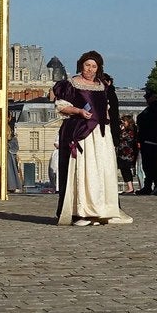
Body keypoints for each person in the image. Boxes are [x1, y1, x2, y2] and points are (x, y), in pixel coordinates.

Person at [49, 51, 133, 226]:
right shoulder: (71, 84)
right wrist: (79, 111)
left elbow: (107, 109)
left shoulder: (102, 86)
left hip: (101, 134)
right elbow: (62, 106)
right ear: (81, 65)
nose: (90, 69)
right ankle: (82, 211)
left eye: (94, 66)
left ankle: (102, 210)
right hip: (82, 132)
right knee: (85, 170)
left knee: (102, 170)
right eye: (88, 65)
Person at [135, 86, 157, 194]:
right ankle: (152, 184)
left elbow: (143, 120)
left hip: (150, 140)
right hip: (148, 140)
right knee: (149, 165)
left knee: (150, 164)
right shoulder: (153, 108)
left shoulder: (154, 109)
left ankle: (153, 184)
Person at [116, 115, 138, 193]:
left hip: (127, 153)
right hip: (123, 153)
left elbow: (125, 137)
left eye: (124, 121)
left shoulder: (131, 130)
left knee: (126, 169)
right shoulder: (125, 129)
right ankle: (129, 187)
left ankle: (130, 187)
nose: (123, 123)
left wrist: (121, 129)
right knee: (124, 169)